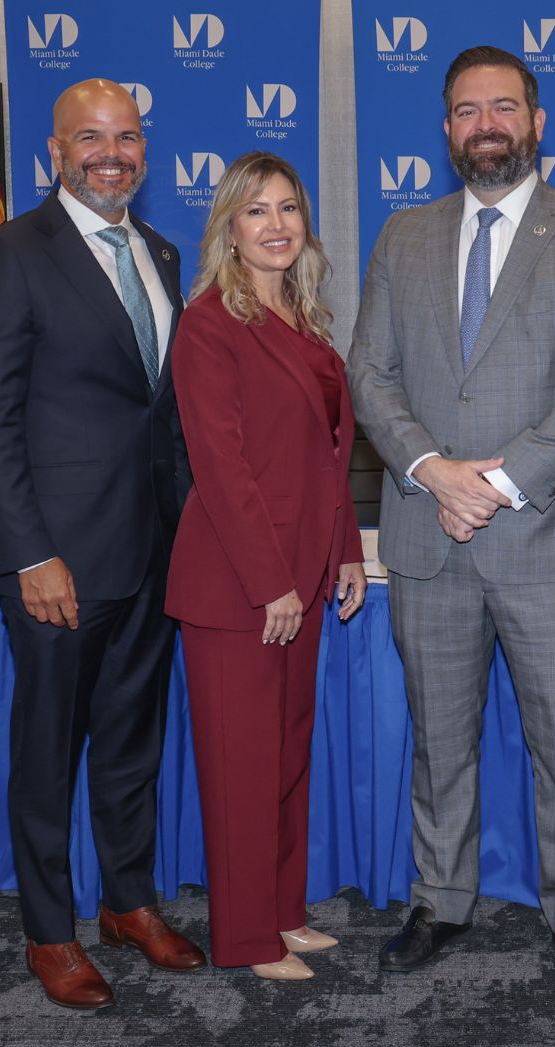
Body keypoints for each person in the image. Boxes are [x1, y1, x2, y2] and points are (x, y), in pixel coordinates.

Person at [347, 44, 555, 995]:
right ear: (447, 128)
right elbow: (370, 375)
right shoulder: (404, 235)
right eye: (469, 111)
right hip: (429, 538)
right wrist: (433, 471)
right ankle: (440, 900)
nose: (487, 126)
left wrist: (498, 484)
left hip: (551, 541)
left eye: (504, 108)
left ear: (537, 121)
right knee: (440, 745)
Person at [0, 78, 203, 1010]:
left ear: (145, 150)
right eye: (90, 138)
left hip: (153, 553)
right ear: (54, 153)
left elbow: (158, 410)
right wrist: (29, 552)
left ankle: (127, 903)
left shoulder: (161, 251)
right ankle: (49, 932)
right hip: (54, 561)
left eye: (126, 137)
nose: (111, 154)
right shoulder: (7, 255)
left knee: (133, 742)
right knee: (48, 754)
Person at [164, 151, 367, 981]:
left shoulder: (306, 319)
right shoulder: (210, 323)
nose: (276, 224)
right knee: (241, 769)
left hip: (304, 575)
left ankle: (282, 914)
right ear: (229, 228)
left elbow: (327, 454)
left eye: (287, 208)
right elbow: (221, 467)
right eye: (256, 210)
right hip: (239, 587)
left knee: (284, 759)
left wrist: (345, 551)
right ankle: (246, 938)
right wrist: (271, 581)